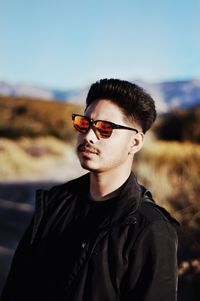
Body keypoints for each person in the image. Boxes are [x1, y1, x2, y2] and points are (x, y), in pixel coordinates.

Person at [1, 78, 179, 301]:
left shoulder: (151, 228)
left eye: (105, 128)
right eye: (84, 124)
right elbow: (17, 288)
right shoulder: (54, 202)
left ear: (135, 142)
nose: (89, 136)